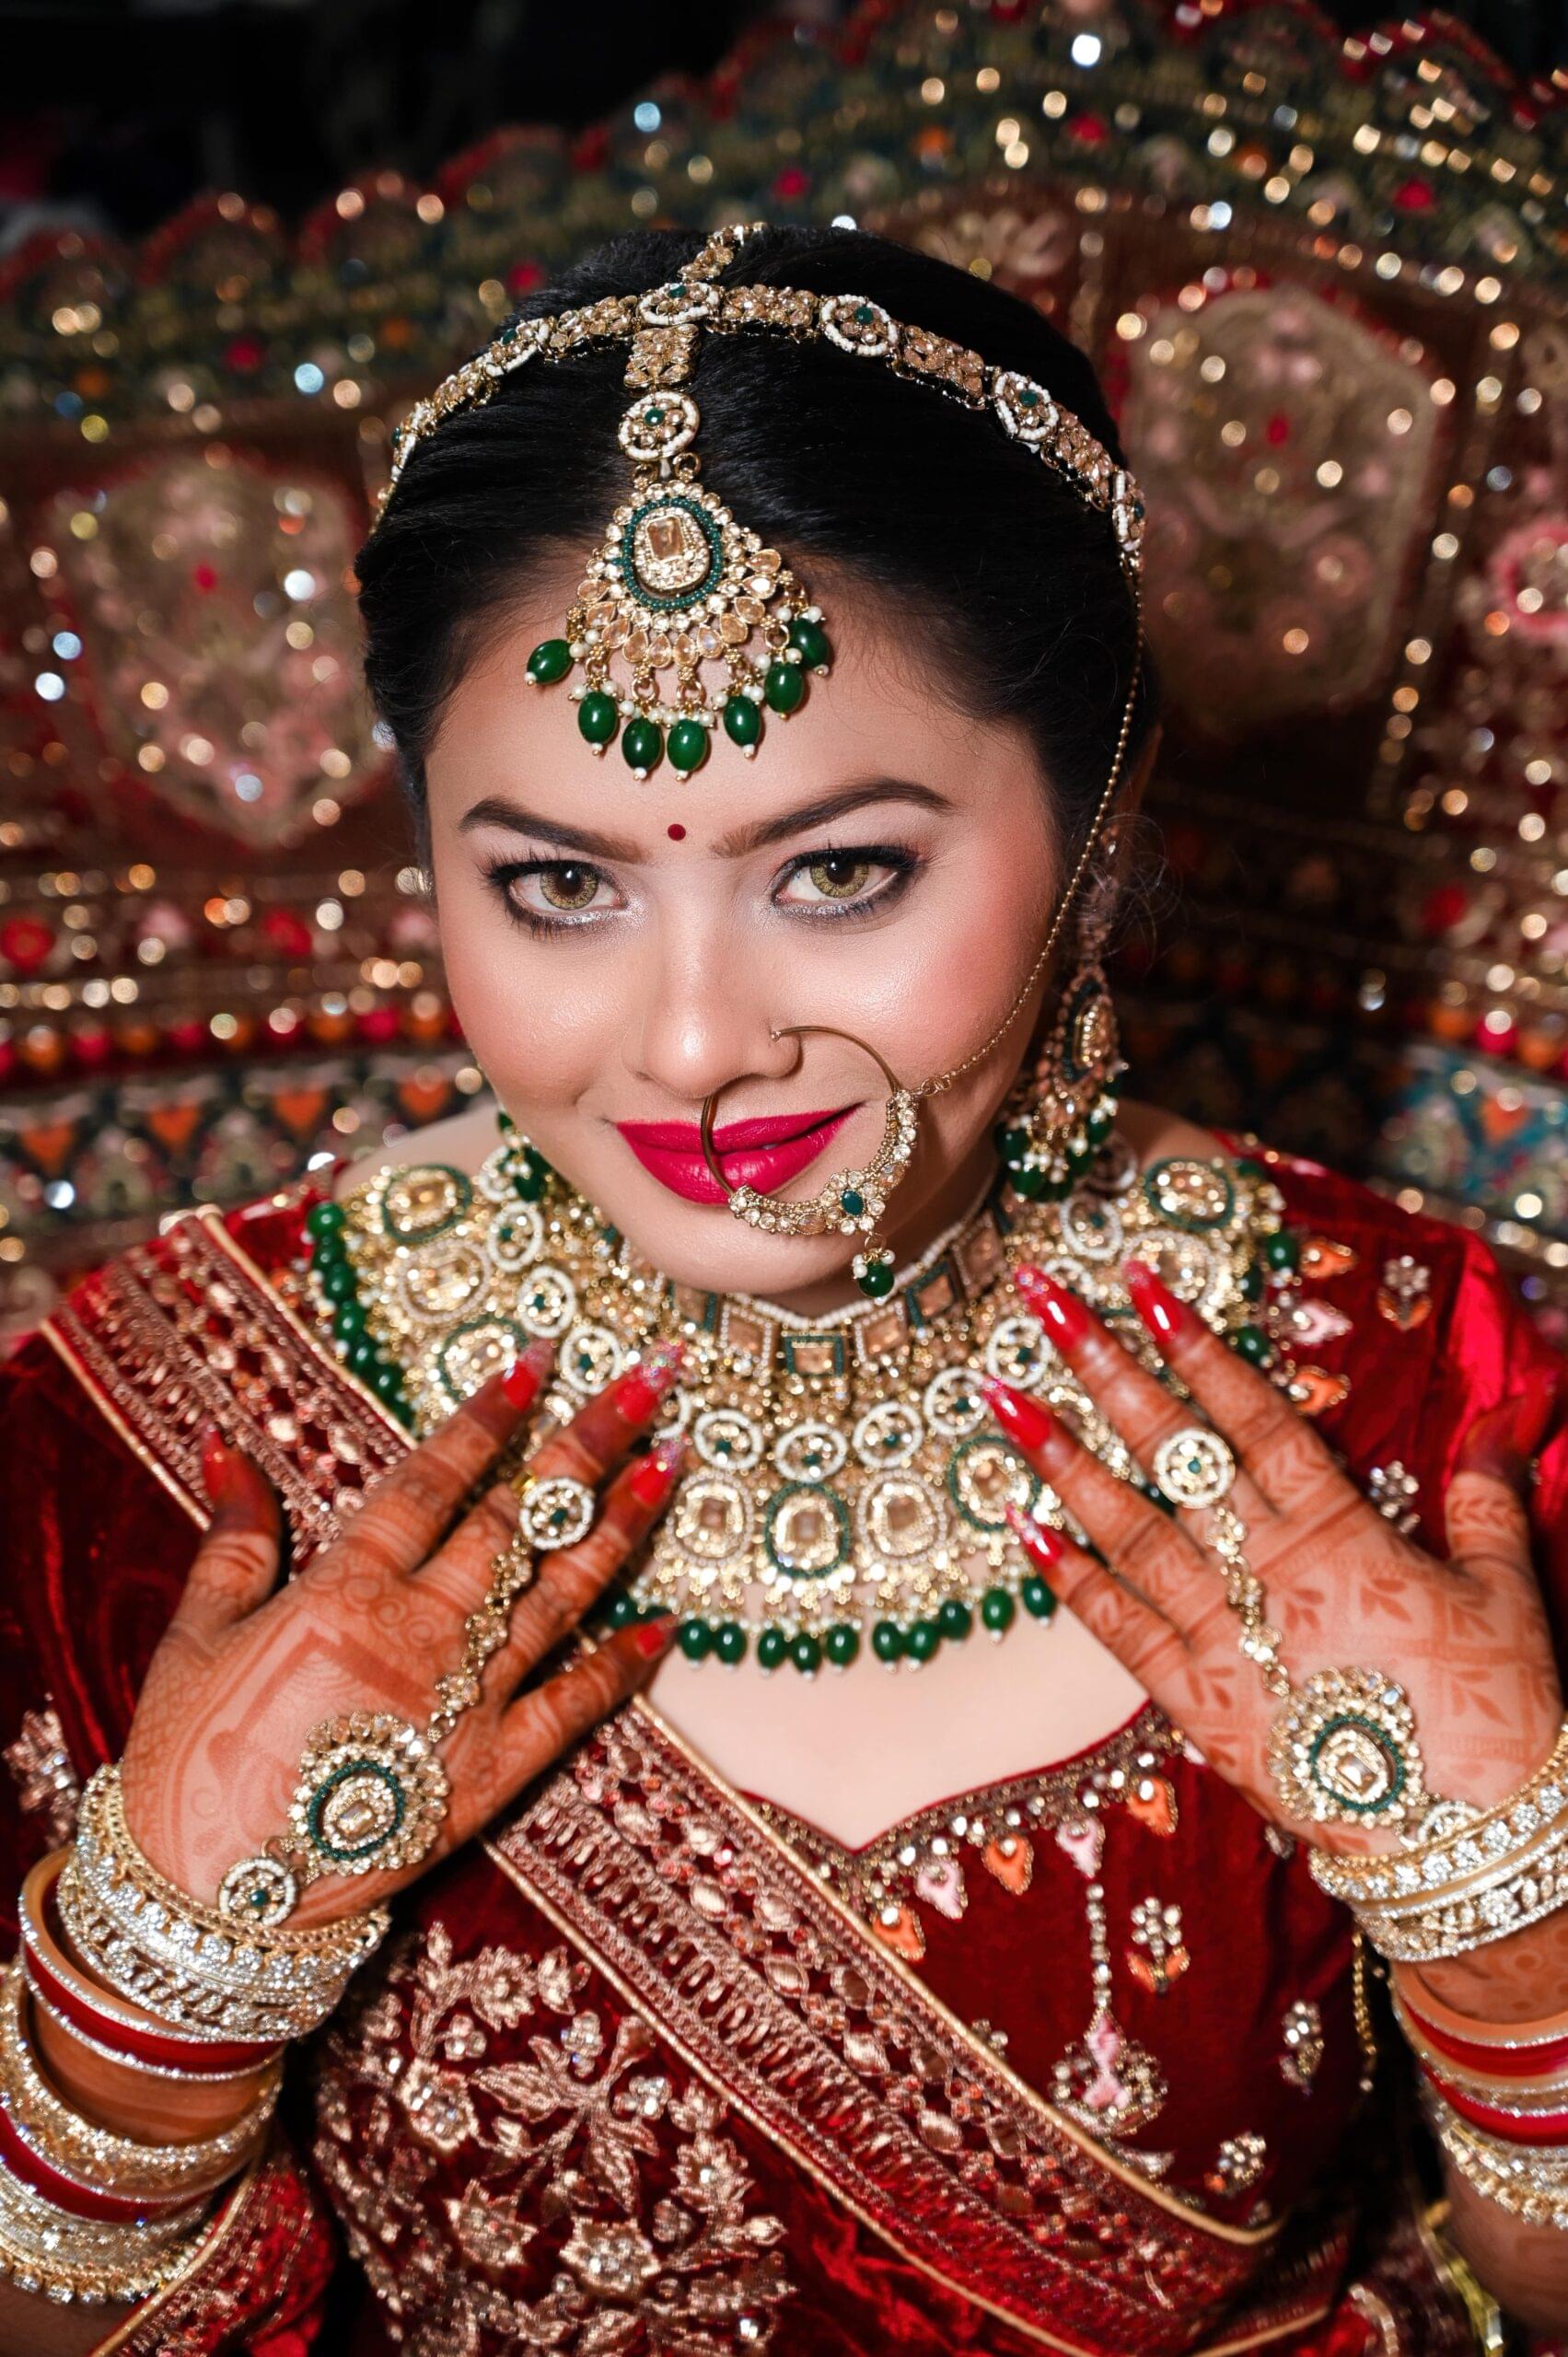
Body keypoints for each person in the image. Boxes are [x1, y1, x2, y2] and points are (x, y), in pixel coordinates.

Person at [0, 221, 1564, 2357]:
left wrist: (1520, 1963)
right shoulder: (170, 1443)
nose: (696, 1041)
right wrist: (143, 2012)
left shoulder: (1420, 1393)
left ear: (1104, 818)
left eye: (841, 870)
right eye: (555, 884)